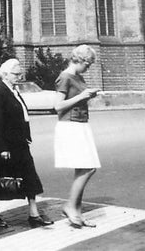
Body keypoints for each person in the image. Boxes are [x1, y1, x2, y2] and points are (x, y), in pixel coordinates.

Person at [0, 58, 53, 229]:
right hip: (3, 145)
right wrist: (2, 148)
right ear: (5, 75)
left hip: (19, 143)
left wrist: (26, 136)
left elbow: (22, 115)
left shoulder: (13, 91)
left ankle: (34, 215)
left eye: (20, 73)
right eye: (16, 74)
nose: (19, 77)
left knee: (29, 177)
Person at [54, 44, 101, 228]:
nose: (88, 68)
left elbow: (77, 98)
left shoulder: (77, 76)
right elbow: (57, 106)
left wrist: (87, 96)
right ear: (80, 60)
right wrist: (82, 96)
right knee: (89, 168)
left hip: (81, 124)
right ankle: (69, 206)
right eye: (88, 64)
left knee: (83, 169)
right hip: (70, 125)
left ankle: (77, 213)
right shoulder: (65, 77)